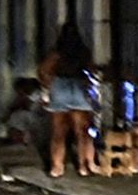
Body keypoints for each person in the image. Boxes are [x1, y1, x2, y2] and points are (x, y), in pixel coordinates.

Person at [38, 23, 97, 178]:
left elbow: (44, 70)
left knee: (58, 131)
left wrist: (48, 87)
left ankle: (57, 167)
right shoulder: (84, 52)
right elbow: (91, 70)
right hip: (79, 86)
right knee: (82, 131)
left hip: (60, 86)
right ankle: (84, 166)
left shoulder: (56, 52)